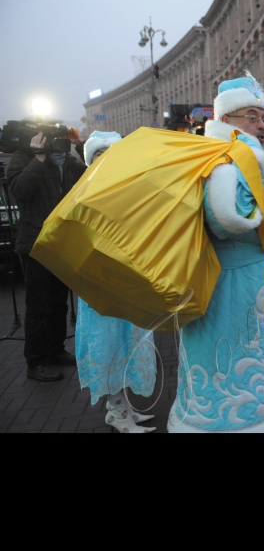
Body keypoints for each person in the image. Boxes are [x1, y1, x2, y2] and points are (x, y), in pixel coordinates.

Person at [168, 74, 264, 433]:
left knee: (255, 365)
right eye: (252, 116)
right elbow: (228, 218)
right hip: (230, 285)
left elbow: (253, 210)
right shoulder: (221, 159)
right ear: (226, 120)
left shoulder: (245, 158)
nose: (261, 124)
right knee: (228, 368)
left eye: (263, 117)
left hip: (253, 284)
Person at [75, 131, 157, 433]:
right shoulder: (85, 190)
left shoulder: (127, 188)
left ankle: (122, 407)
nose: (107, 160)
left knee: (129, 342)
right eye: (100, 155)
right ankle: (116, 411)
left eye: (111, 154)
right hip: (100, 280)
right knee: (109, 344)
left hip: (128, 278)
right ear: (91, 161)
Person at [8, 126, 87, 382]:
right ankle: (36, 361)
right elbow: (19, 191)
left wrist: (78, 146)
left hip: (60, 242)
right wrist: (38, 158)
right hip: (35, 242)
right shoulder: (24, 157)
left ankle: (55, 350)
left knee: (58, 302)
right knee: (38, 307)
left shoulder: (64, 160)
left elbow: (90, 176)